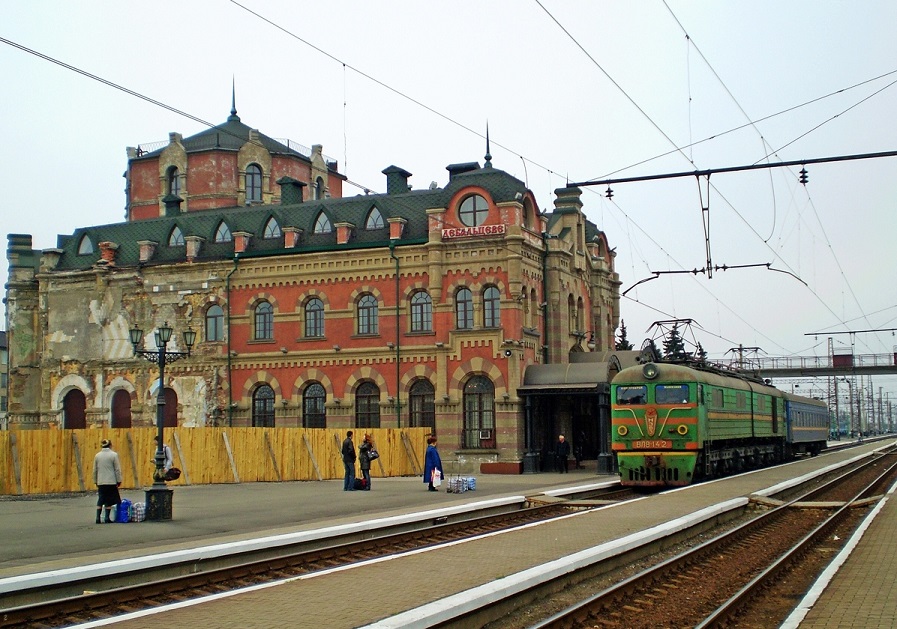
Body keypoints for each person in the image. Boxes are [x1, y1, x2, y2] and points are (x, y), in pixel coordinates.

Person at [92, 439, 122, 523]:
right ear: (110, 445)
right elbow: (117, 469)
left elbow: (95, 469)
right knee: (109, 499)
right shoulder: (114, 455)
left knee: (101, 498)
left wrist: (95, 480)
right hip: (111, 480)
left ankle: (98, 518)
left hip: (101, 480)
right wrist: (119, 480)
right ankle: (106, 518)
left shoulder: (97, 456)